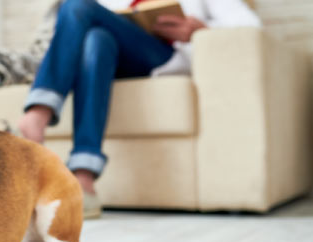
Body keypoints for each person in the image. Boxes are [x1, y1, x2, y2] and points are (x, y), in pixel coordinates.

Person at [17, 0, 260, 218]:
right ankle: (84, 181)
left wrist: (201, 30)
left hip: (165, 54)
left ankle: (39, 113)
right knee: (97, 39)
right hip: (116, 57)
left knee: (76, 4)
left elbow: (252, 26)